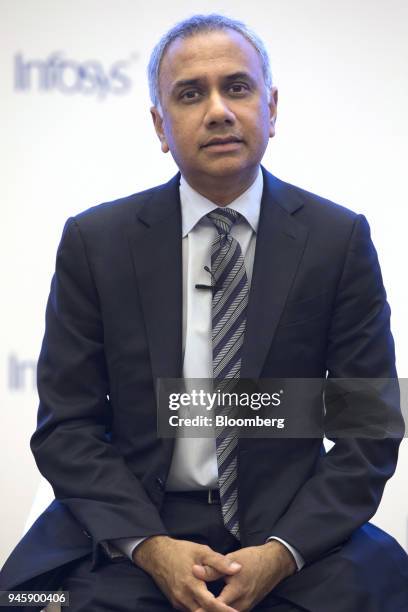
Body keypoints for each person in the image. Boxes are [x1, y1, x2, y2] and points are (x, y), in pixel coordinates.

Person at [1, 13, 407, 612]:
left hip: (290, 532)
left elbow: (367, 430)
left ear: (271, 107)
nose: (218, 110)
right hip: (136, 529)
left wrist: (282, 551)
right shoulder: (97, 241)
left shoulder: (336, 240)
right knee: (37, 601)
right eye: (190, 94)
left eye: (237, 88)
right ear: (160, 126)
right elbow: (68, 428)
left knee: (380, 589)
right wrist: (151, 546)